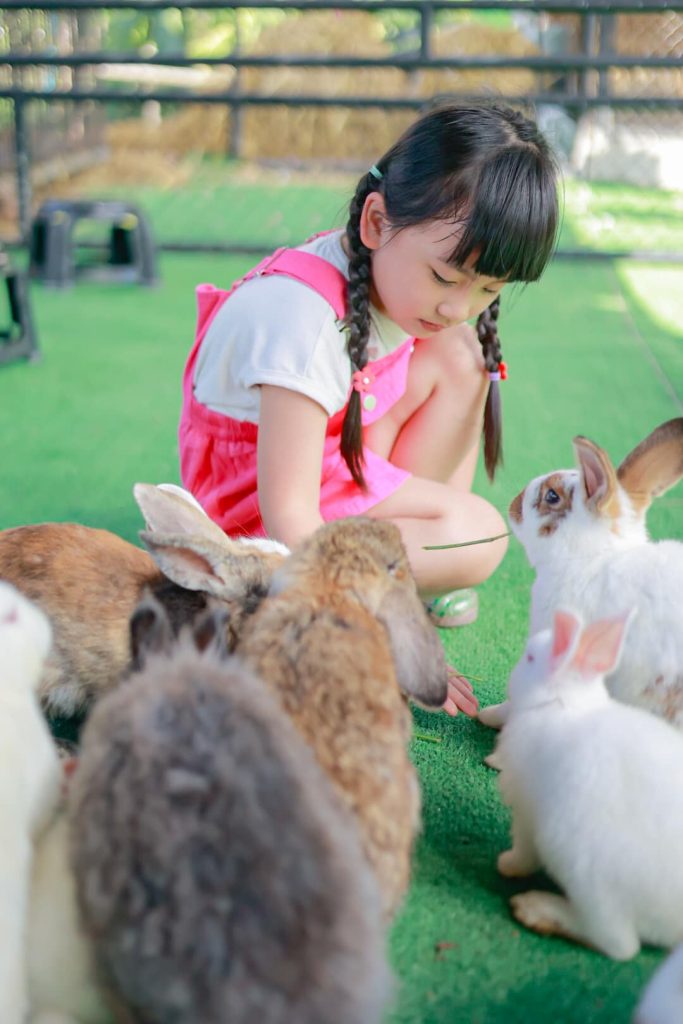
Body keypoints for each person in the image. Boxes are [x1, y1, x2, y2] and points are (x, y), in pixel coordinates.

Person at [178, 101, 560, 716]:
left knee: (461, 354)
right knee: (484, 537)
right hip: (252, 506)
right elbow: (289, 518)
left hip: (326, 450)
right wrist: (381, 630)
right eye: (445, 278)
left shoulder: (386, 276)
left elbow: (441, 335)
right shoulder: (304, 325)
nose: (462, 305)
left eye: (489, 289)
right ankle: (388, 584)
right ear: (377, 223)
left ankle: (409, 567)